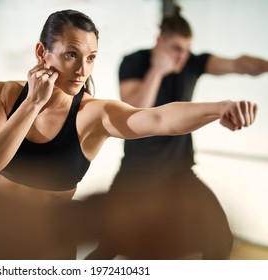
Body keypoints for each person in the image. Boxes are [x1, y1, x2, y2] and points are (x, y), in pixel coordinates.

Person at [0, 9, 257, 259]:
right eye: (71, 54)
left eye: (91, 58)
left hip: (50, 248)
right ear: (41, 52)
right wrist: (32, 103)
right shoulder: (4, 95)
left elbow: (159, 118)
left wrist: (220, 107)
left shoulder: (94, 115)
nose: (82, 70)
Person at [85, 5, 268, 259]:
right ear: (159, 42)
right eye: (176, 50)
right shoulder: (134, 62)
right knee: (108, 247)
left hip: (180, 174)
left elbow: (238, 64)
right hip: (136, 174)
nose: (182, 58)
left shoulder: (192, 62)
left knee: (221, 241)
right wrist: (158, 70)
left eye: (186, 50)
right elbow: (136, 109)